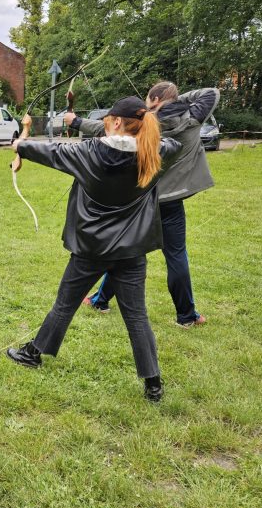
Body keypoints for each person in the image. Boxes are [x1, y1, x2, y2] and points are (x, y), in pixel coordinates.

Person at [6, 96, 182, 402]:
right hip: (130, 252)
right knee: (137, 316)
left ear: (115, 122)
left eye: (106, 122)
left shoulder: (88, 152)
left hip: (91, 249)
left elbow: (30, 148)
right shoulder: (156, 153)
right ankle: (153, 384)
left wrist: (22, 136)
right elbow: (173, 144)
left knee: (65, 305)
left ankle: (33, 353)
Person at [70, 83, 219, 327]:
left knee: (127, 250)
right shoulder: (191, 117)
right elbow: (212, 92)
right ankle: (186, 315)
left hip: (145, 198)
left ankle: (100, 300)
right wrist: (171, 102)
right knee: (175, 255)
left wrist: (75, 121)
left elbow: (105, 128)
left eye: (148, 99)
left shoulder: (147, 124)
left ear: (155, 98)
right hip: (171, 201)